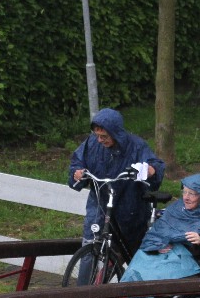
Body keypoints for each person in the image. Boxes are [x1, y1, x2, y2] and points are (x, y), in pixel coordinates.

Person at [68, 108, 165, 259]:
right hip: (99, 202)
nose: (100, 140)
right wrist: (78, 173)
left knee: (132, 248)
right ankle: (88, 274)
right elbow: (77, 162)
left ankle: (129, 271)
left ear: (115, 133)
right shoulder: (91, 143)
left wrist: (150, 170)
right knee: (91, 244)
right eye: (97, 135)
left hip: (129, 203)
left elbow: (155, 165)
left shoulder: (136, 146)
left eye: (104, 136)